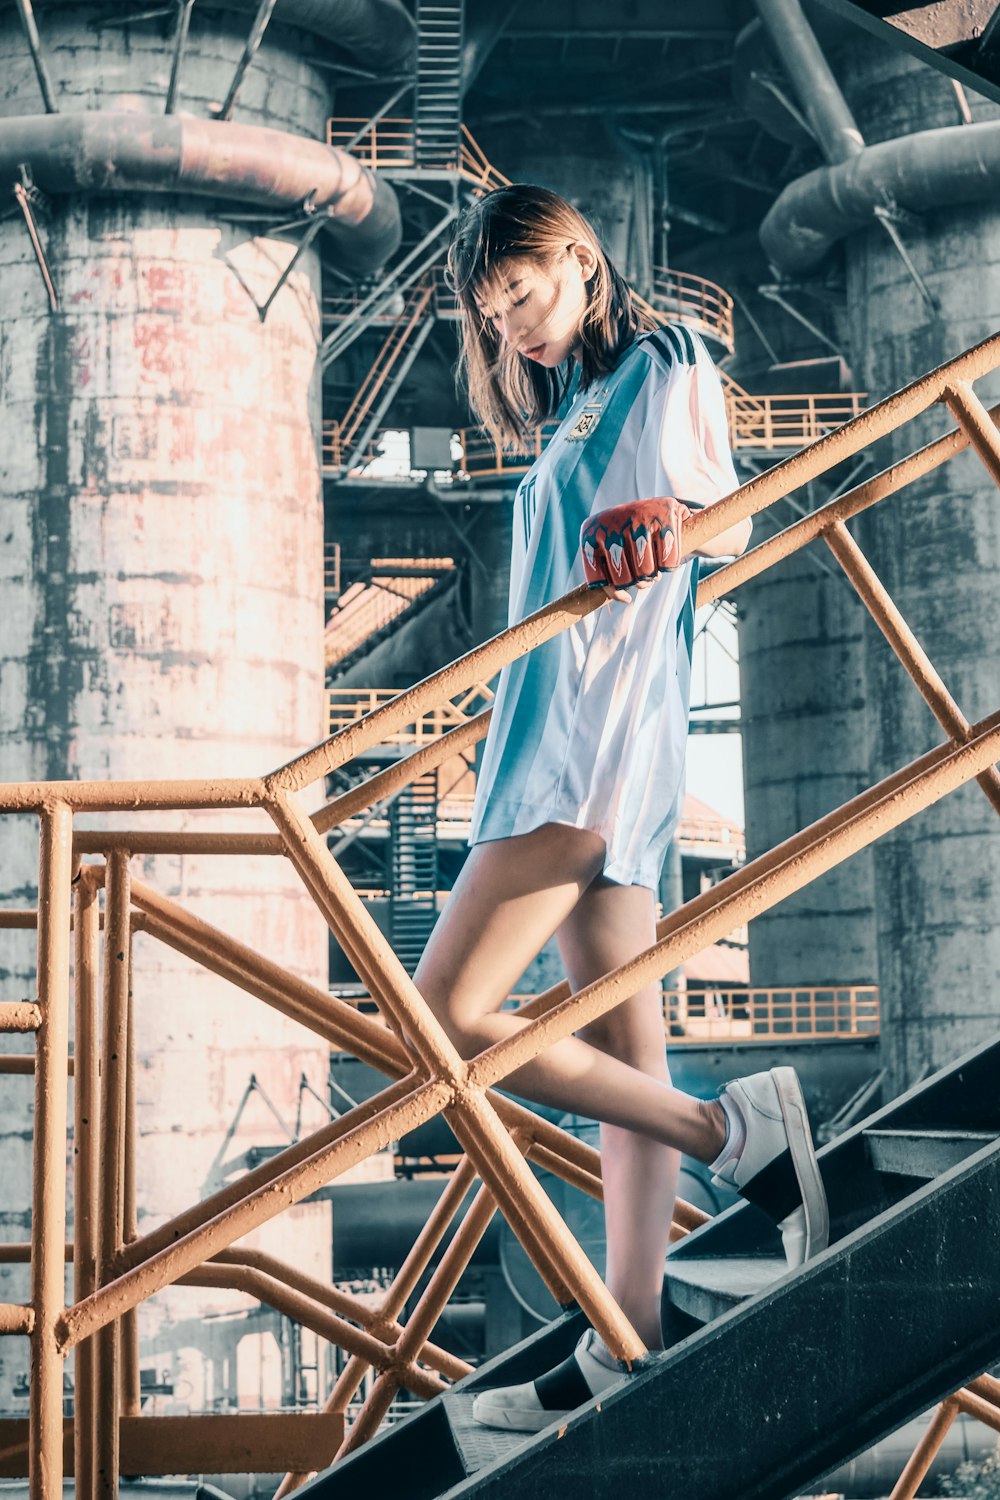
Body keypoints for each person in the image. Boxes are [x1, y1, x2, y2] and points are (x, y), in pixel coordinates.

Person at [411, 185, 829, 1434]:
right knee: (622, 1051)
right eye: (493, 314)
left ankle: (729, 1126)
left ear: (579, 259)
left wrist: (679, 520)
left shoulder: (663, 359)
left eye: (523, 292)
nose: (514, 327)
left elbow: (737, 508)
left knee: (448, 1016)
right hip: (571, 746)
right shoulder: (573, 411)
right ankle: (625, 1343)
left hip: (582, 754)